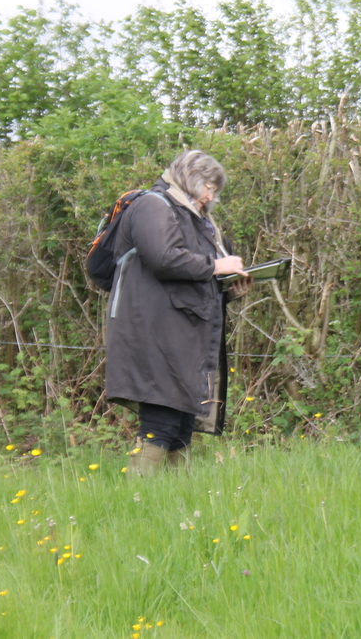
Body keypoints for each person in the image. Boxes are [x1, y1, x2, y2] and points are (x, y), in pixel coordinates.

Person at [105, 150, 252, 476]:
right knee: (162, 418)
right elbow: (163, 258)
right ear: (190, 177)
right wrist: (216, 265)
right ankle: (137, 502)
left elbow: (192, 283)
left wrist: (228, 290)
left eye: (216, 190)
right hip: (152, 332)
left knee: (184, 419)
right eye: (209, 187)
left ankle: (174, 503)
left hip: (182, 336)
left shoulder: (196, 221)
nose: (212, 196)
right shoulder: (153, 206)